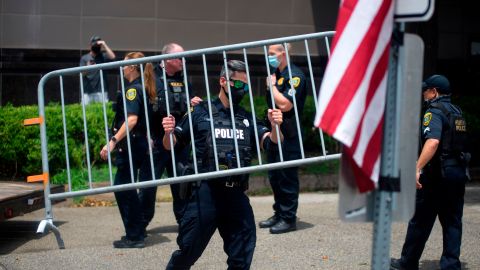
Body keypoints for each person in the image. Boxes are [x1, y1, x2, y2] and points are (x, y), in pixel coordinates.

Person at [162, 60, 284, 269]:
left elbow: (270, 143)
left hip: (235, 193)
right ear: (223, 82)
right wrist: (168, 132)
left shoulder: (245, 116)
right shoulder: (201, 111)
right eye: (237, 84)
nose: (241, 90)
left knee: (244, 248)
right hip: (205, 192)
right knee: (188, 250)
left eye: (245, 86)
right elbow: (172, 144)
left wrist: (275, 127)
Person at [391, 75, 469, 270]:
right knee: (452, 221)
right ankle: (451, 265)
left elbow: (432, 142)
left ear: (434, 92)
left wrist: (417, 168)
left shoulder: (433, 112)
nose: (423, 94)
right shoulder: (457, 112)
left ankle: (407, 263)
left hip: (437, 176)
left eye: (425, 91)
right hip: (457, 173)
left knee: (420, 220)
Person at [138, 43, 202, 232]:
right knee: (148, 186)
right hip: (156, 142)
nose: (184, 61)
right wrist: (146, 135)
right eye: (180, 57)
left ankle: (184, 222)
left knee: (181, 183)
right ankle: (140, 225)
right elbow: (143, 110)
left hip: (178, 142)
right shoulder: (151, 77)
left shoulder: (184, 79)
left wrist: (192, 104)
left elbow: (187, 106)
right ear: (167, 59)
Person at [100, 52, 156, 249]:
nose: (122, 68)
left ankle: (135, 235)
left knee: (124, 189)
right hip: (137, 144)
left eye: (124, 65)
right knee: (126, 188)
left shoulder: (132, 90)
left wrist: (113, 141)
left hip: (131, 145)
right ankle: (136, 232)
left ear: (132, 67)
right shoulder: (143, 87)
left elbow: (132, 120)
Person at [259, 43, 307, 234]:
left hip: (290, 134)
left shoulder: (295, 76)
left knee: (287, 177)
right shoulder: (276, 74)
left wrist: (272, 87)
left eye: (272, 53)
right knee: (275, 176)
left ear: (284, 53)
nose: (269, 57)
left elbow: (286, 104)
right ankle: (279, 213)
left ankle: (288, 218)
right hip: (275, 133)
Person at [79, 35, 116, 104]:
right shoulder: (84, 58)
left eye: (98, 46)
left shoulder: (103, 56)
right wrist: (88, 67)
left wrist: (104, 44)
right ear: (90, 46)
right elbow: (82, 74)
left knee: (103, 111)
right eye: (94, 45)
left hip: (101, 91)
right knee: (86, 112)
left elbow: (113, 57)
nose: (96, 47)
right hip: (87, 91)